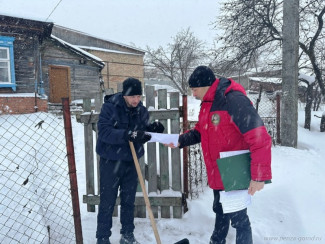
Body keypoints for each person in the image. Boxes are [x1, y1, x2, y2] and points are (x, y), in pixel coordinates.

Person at [166, 66, 272, 244]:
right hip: (219, 171)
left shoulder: (233, 100)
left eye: (195, 89)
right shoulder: (208, 104)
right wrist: (180, 140)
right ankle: (217, 241)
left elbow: (260, 137)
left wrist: (259, 176)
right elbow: (201, 132)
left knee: (239, 219)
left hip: (234, 171)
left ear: (206, 85)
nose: (193, 94)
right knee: (221, 209)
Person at [96, 77, 164, 244]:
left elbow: (142, 130)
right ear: (125, 95)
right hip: (110, 161)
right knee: (107, 201)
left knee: (128, 201)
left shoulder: (141, 110)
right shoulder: (110, 107)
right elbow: (104, 132)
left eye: (139, 96)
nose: (136, 100)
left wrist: (151, 130)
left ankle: (127, 236)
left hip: (131, 161)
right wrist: (127, 134)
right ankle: (102, 238)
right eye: (133, 97)